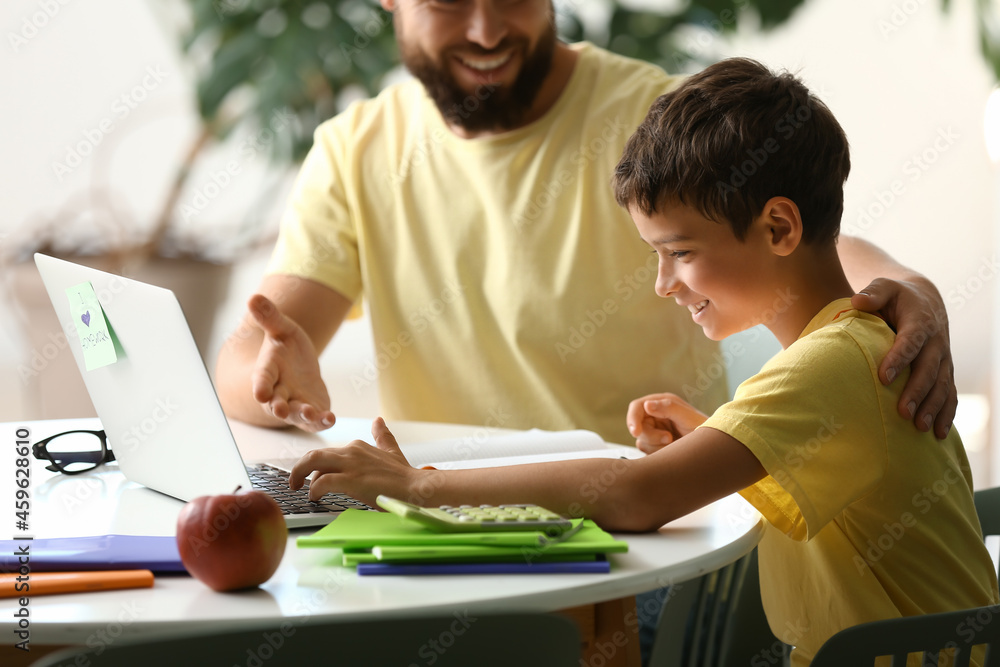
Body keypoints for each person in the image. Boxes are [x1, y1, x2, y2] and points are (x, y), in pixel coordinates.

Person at [286, 58, 999, 665]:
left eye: (680, 253)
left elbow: (636, 496)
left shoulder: (834, 361)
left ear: (779, 226)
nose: (664, 285)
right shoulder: (836, 351)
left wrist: (418, 486)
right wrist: (707, 442)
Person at [214, 0, 958, 447]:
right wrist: (272, 378)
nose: (484, 29)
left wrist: (905, 285)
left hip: (651, 536)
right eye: (447, 2)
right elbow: (261, 343)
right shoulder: (356, 152)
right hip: (447, 534)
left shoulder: (653, 118)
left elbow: (804, 245)